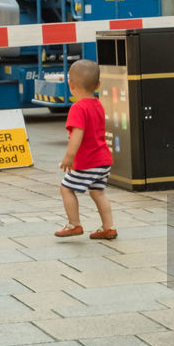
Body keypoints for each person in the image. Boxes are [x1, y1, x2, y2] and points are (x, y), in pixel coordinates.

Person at [55, 59, 117, 241]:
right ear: (98, 85)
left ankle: (74, 224)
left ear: (70, 84)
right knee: (98, 192)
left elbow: (77, 134)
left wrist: (69, 157)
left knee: (66, 188)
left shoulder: (78, 108)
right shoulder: (97, 104)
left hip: (88, 162)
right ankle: (109, 227)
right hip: (104, 160)